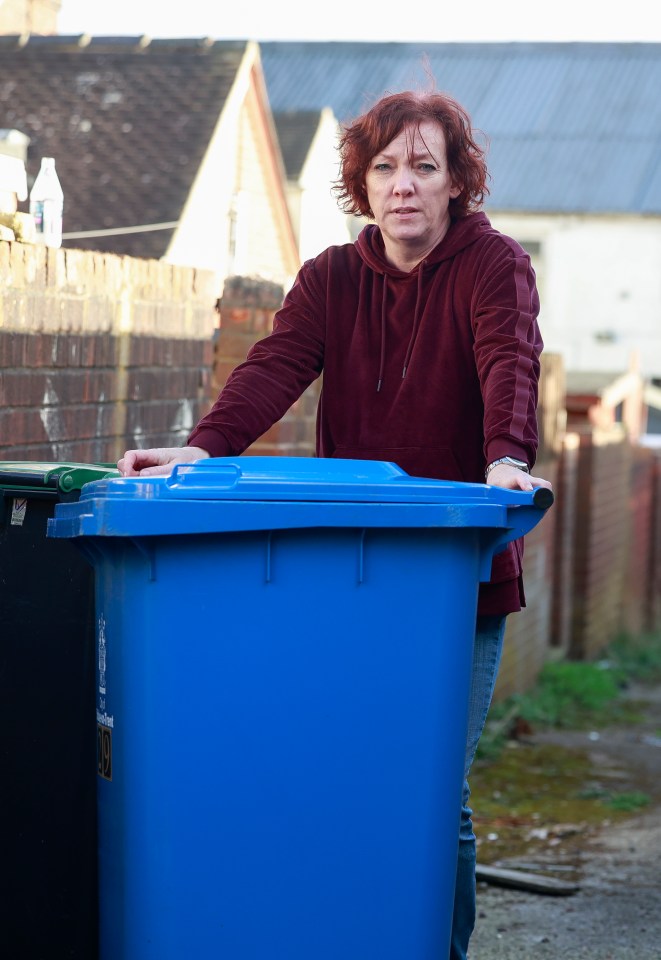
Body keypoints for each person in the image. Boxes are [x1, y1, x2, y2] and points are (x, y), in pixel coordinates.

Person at [119, 87, 552, 959]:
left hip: (452, 575)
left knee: (433, 789)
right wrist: (200, 453)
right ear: (362, 182)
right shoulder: (330, 279)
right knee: (345, 768)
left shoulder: (490, 265)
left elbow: (510, 354)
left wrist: (505, 456)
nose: (403, 186)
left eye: (424, 167)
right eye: (385, 168)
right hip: (353, 579)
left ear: (456, 182)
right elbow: (273, 365)